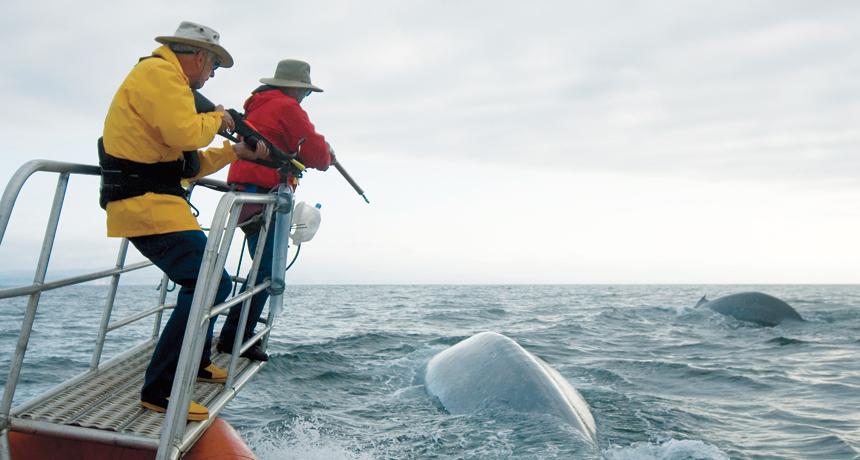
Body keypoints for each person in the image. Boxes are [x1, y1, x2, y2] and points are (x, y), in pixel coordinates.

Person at [100, 21, 268, 421]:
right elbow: (185, 135)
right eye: (213, 67)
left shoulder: (165, 82)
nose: (211, 76)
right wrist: (221, 120)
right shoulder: (160, 75)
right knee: (210, 282)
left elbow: (185, 163)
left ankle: (192, 366)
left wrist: (236, 152)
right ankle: (161, 390)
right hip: (145, 206)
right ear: (198, 56)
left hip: (155, 200)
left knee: (209, 281)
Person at [216, 59, 333, 361]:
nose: (305, 97)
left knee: (263, 268)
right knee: (269, 272)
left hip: (243, 194)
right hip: (261, 197)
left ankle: (236, 333)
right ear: (295, 88)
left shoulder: (257, 103)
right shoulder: (287, 107)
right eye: (305, 91)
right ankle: (234, 339)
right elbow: (315, 153)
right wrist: (327, 155)